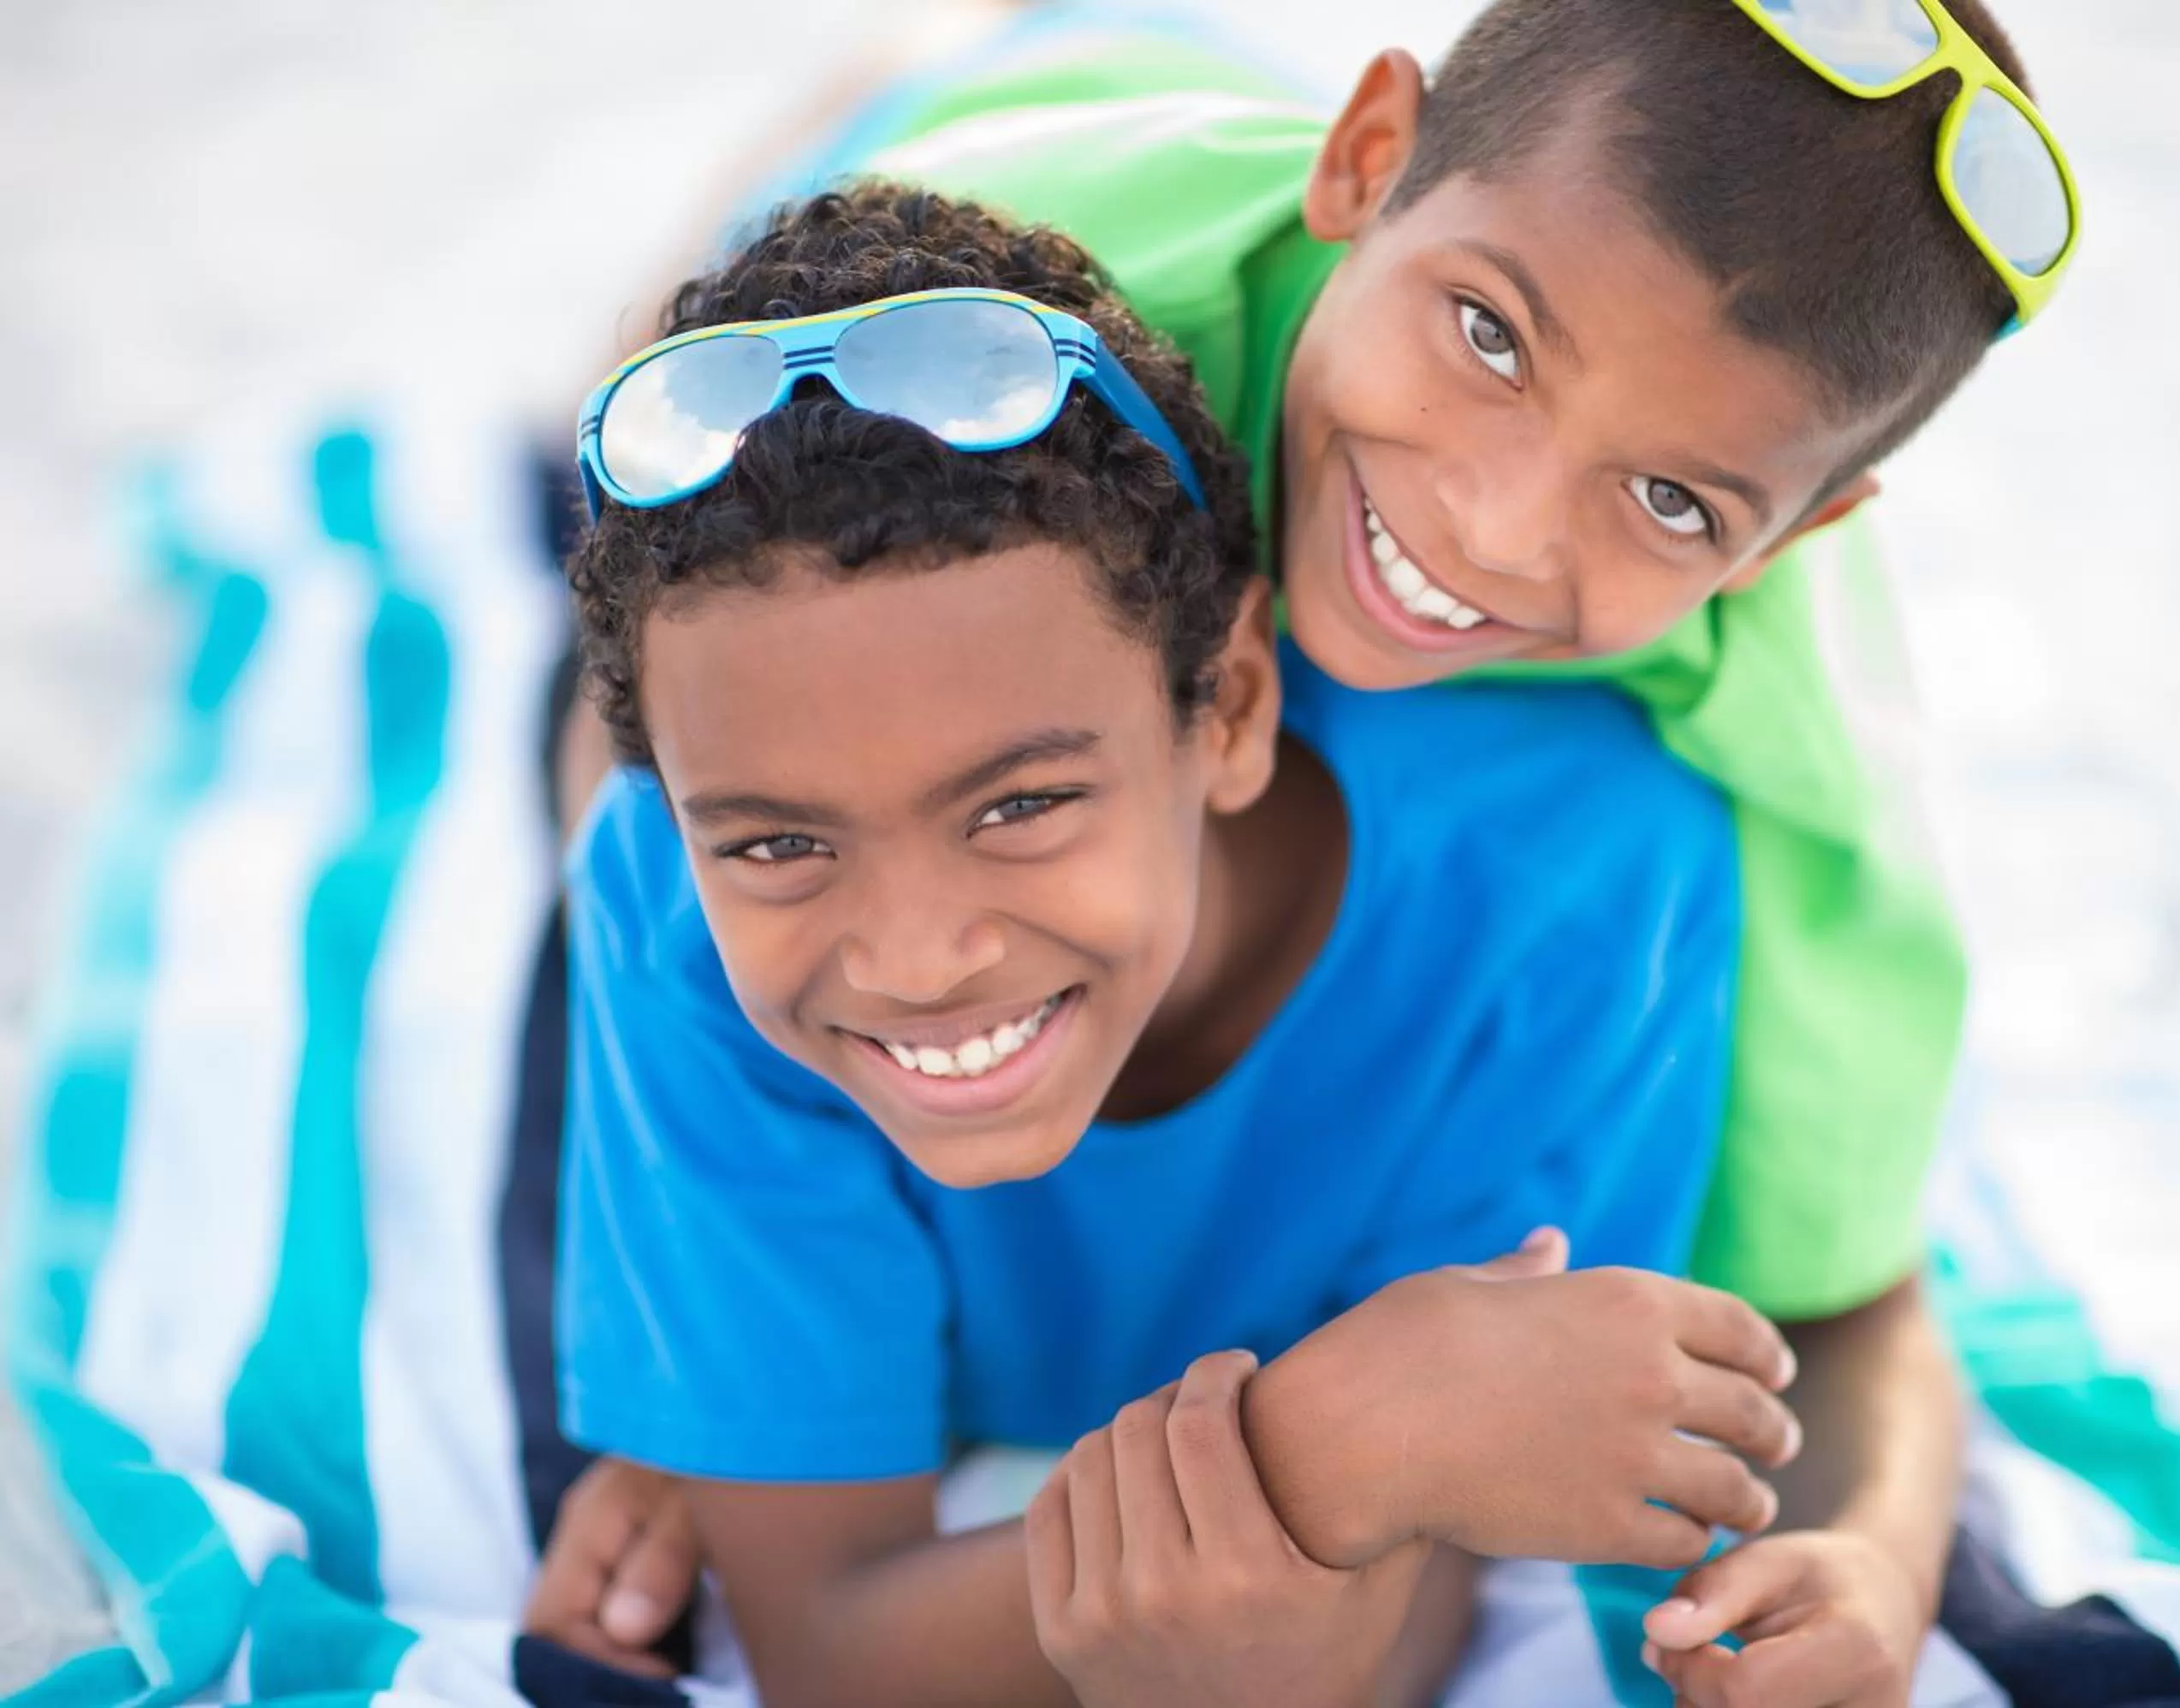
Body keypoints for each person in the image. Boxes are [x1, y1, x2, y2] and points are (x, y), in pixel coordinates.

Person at [536, 2, 2077, 1697]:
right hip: (1006, 147)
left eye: (1672, 504)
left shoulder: (1709, 782)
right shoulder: (1045, 305)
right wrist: (705, 1338)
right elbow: (652, 767)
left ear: (1796, 536)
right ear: (1363, 162)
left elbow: (1857, 1278)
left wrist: (1878, 1551)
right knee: (641, 452)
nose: (1492, 526)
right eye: (1489, 336)